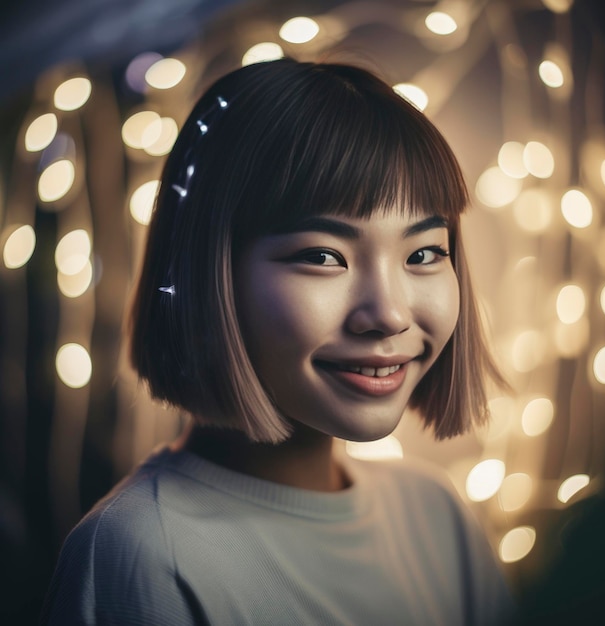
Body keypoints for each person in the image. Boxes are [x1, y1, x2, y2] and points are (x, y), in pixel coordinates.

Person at [41, 58, 516, 625]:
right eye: (322, 256)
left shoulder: (436, 513)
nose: (388, 313)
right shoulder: (141, 556)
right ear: (206, 273)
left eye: (423, 254)